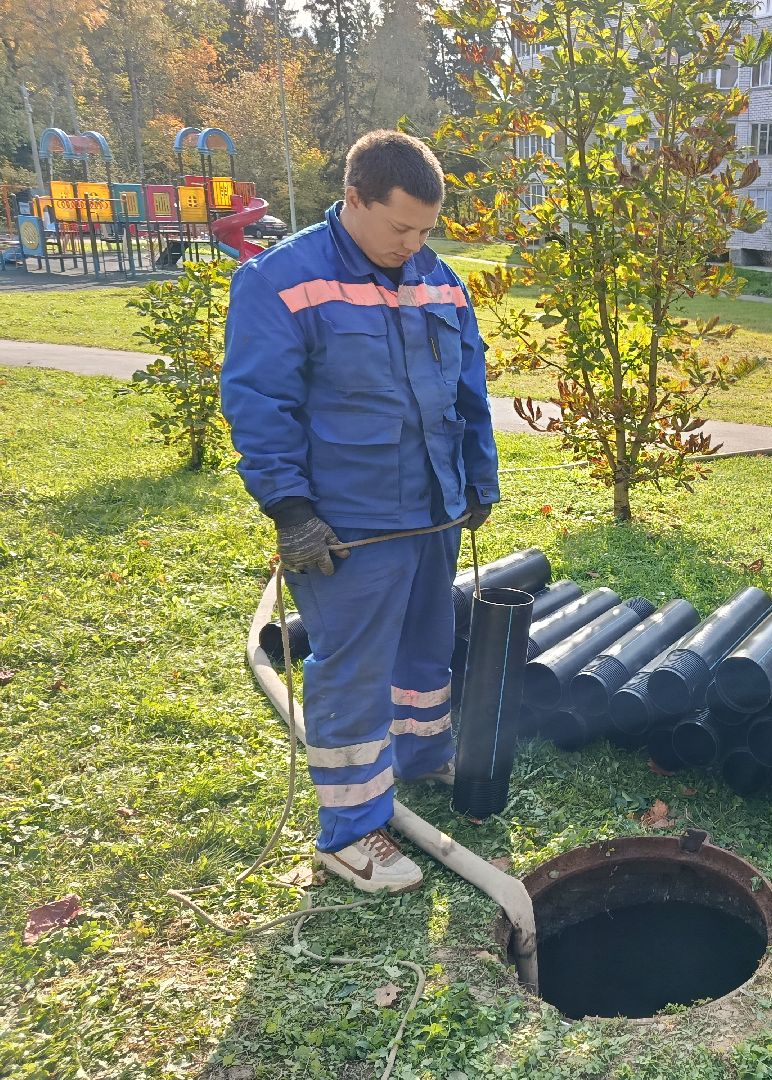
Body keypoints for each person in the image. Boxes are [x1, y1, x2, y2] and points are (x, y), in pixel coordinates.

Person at [221, 130, 498, 893]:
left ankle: (418, 758)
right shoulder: (281, 281)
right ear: (353, 201)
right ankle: (350, 833)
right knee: (352, 669)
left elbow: (468, 389)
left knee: (426, 645)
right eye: (399, 227)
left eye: (425, 230)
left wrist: (478, 479)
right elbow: (259, 405)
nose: (412, 244)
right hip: (347, 526)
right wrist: (289, 511)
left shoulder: (438, 280)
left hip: (433, 513)